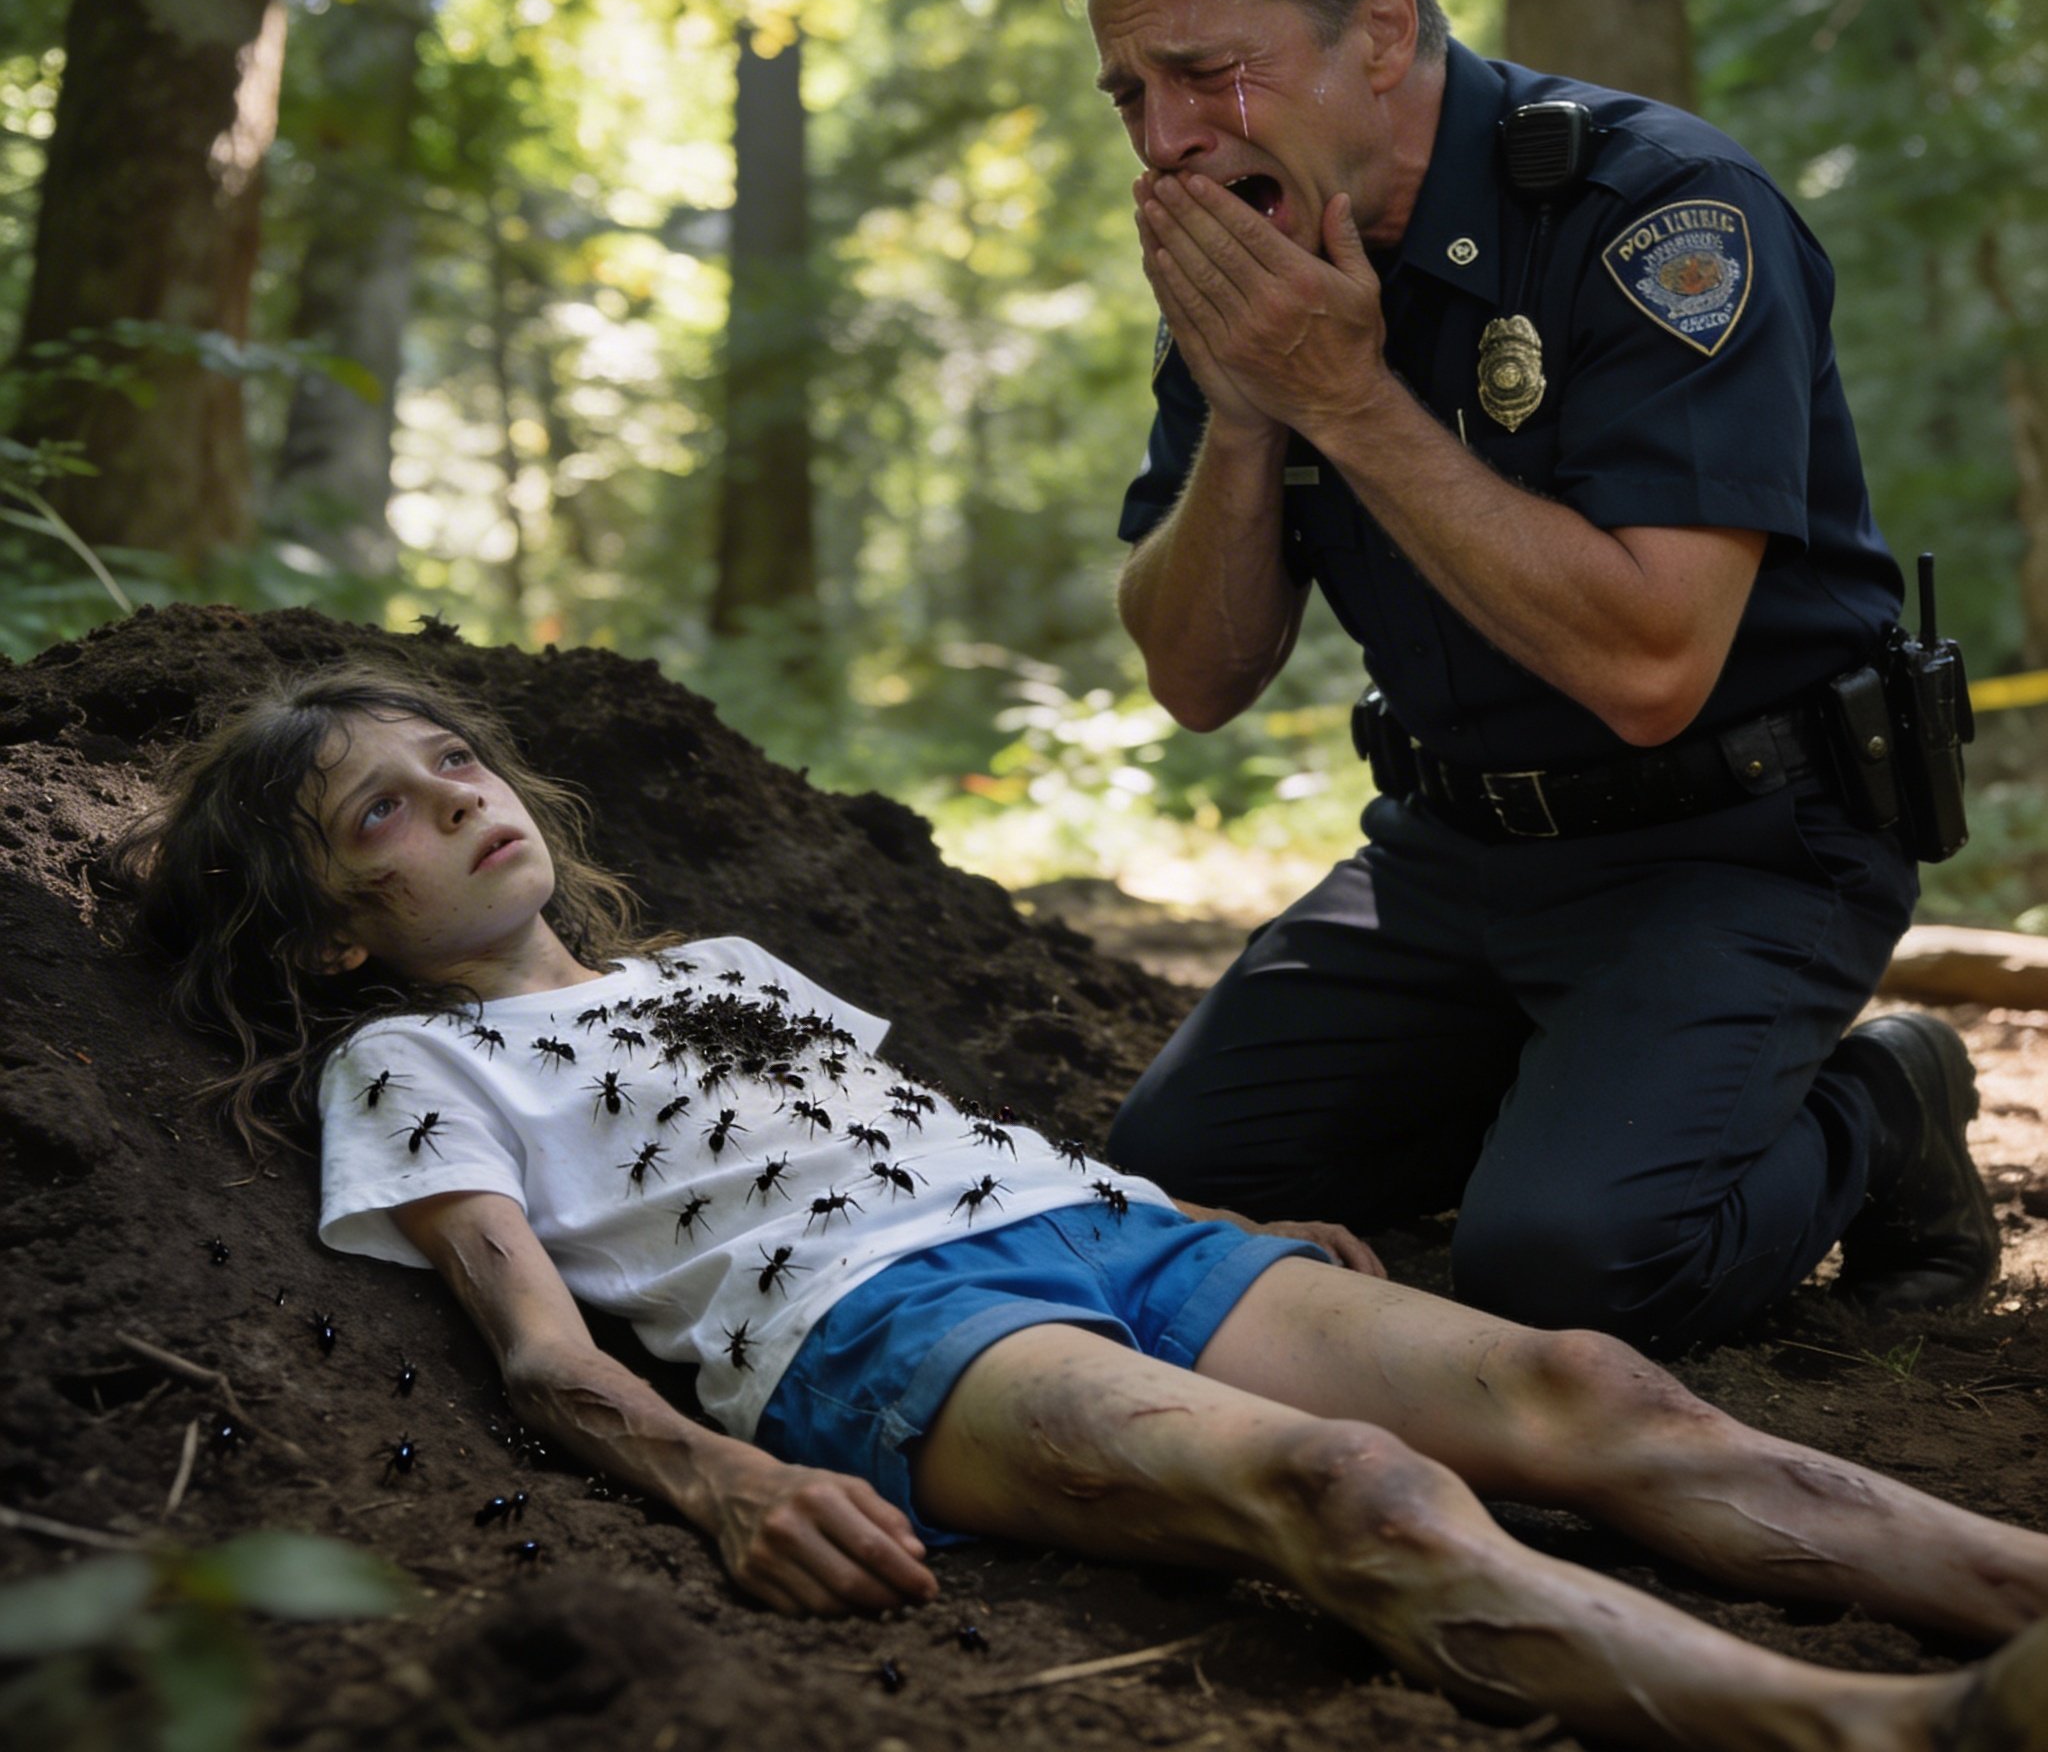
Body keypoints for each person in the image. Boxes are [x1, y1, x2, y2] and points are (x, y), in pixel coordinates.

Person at [114, 658, 2048, 1752]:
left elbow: (918, 1126)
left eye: (454, 760)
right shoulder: (411, 1066)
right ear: (326, 919)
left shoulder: (719, 959)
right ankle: (1883, 1733)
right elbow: (538, 1349)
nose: (456, 798)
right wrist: (729, 1483)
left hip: (1108, 1238)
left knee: (1599, 1390)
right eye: (381, 809)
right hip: (884, 1339)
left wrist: (1205, 1233)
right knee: (1347, 1494)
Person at [1052, 0, 1997, 1349]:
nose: (1165, 138)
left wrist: (1351, 402)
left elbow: (1648, 667)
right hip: (1451, 851)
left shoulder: (1657, 212)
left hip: (1737, 838)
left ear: (1382, 27)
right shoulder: (1258, 257)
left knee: (1573, 1272)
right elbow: (1199, 680)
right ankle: (1575, 1092)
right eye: (1131, 93)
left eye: (1209, 72)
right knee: (1157, 1193)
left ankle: (1883, 1103)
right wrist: (1244, 405)